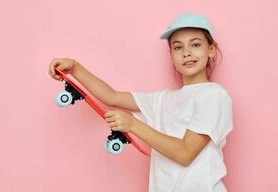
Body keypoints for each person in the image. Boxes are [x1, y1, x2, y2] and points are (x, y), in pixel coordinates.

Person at [48, 13, 233, 192]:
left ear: (211, 50)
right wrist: (76, 68)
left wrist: (133, 125)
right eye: (178, 47)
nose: (186, 53)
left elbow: (185, 154)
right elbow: (110, 96)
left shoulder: (213, 96)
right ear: (171, 54)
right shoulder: (162, 99)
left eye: (195, 45)